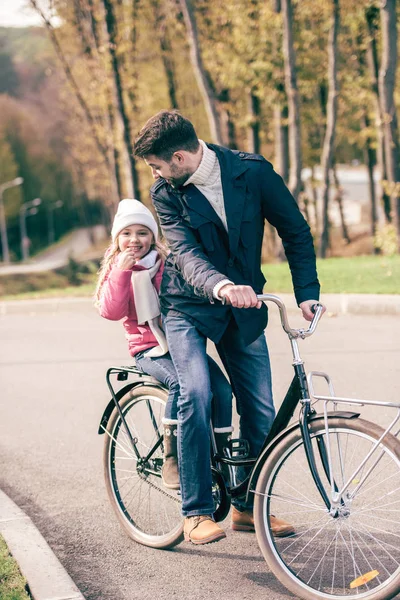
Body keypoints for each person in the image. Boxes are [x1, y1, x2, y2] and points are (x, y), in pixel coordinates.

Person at [133, 110, 325, 545]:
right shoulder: (166, 192)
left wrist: (307, 292)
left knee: (260, 409)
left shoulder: (250, 172)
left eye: (158, 165)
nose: (156, 174)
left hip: (244, 309)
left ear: (179, 157)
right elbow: (182, 253)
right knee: (197, 391)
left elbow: (294, 230)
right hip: (189, 307)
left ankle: (248, 507)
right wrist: (220, 286)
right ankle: (196, 512)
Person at [95, 198, 233, 490]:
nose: (135, 240)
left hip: (181, 343)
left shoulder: (164, 263)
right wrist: (121, 271)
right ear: (117, 239)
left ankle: (222, 456)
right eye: (127, 234)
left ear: (153, 237)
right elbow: (111, 311)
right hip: (147, 349)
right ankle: (173, 457)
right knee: (181, 384)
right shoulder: (116, 269)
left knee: (221, 389)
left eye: (143, 233)